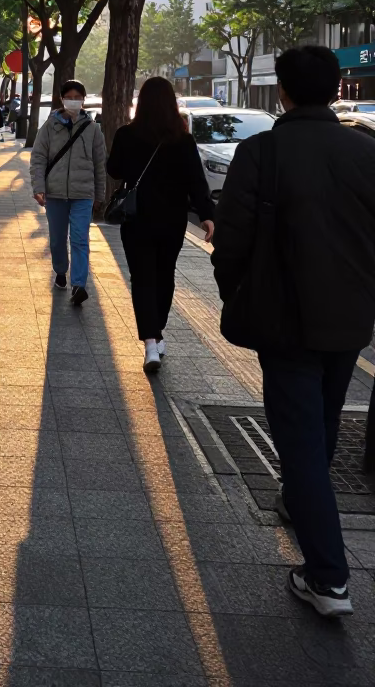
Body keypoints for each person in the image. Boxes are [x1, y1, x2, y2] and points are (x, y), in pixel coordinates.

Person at [212, 46, 375, 618]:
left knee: (301, 442)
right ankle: (299, 502)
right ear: (335, 90)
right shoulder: (366, 152)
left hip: (283, 320)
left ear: (281, 90)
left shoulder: (261, 151)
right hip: (349, 319)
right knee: (323, 422)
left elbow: (230, 239)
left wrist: (237, 291)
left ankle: (328, 577)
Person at [106, 76, 214, 372]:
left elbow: (113, 169)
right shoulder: (182, 138)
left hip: (137, 218)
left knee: (141, 277)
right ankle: (157, 330)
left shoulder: (126, 135)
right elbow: (196, 180)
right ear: (170, 102)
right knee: (164, 275)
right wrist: (206, 215)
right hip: (172, 219)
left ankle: (151, 342)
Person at [30, 80, 106, 307]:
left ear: (83, 99)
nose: (74, 100)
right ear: (62, 99)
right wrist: (38, 188)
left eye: (78, 96)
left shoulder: (93, 129)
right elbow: (38, 158)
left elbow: (99, 164)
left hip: (83, 194)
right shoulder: (50, 126)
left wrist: (99, 196)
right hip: (54, 195)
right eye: (69, 96)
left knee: (80, 239)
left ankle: (79, 285)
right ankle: (61, 270)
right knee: (57, 240)